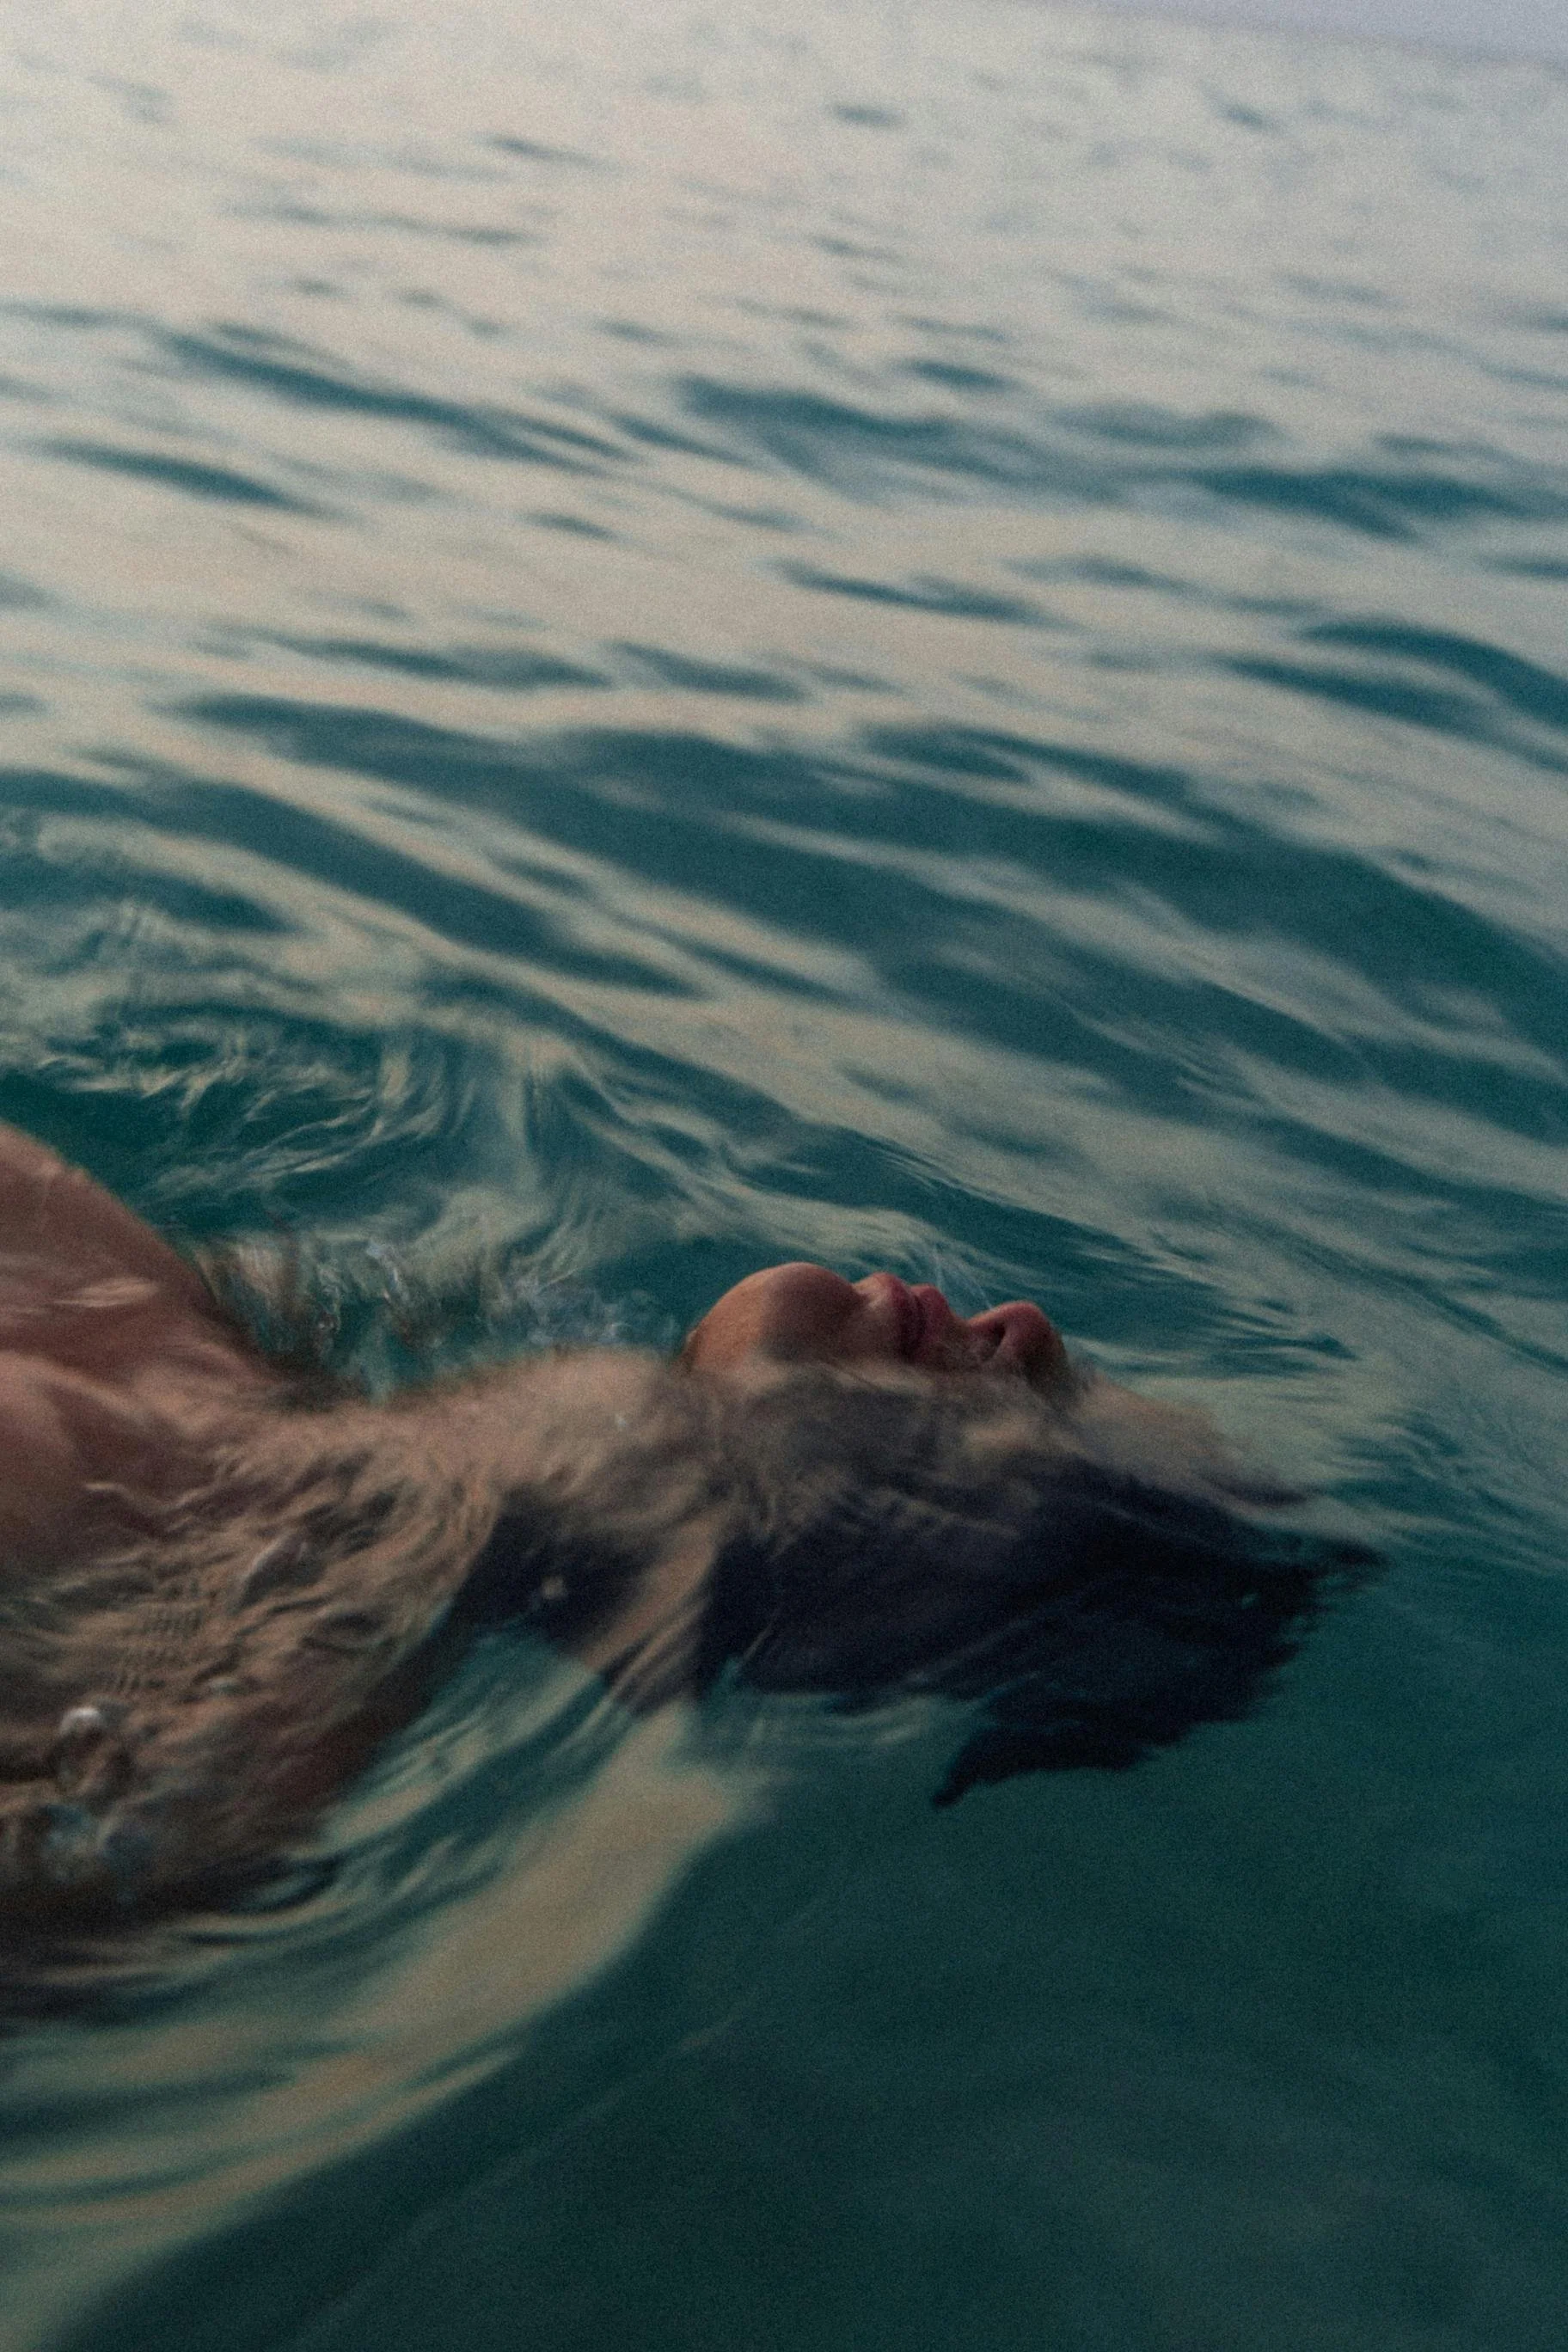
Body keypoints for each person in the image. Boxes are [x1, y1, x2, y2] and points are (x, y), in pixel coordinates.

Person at [0, 1121, 1360, 1925]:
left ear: (882, 1577)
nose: (1030, 1326)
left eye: (1042, 1411)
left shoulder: (257, 1696)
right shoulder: (204, 1341)